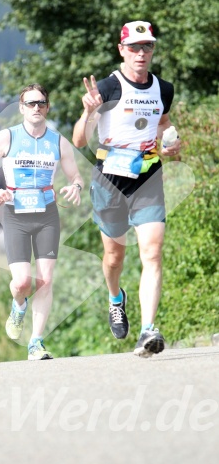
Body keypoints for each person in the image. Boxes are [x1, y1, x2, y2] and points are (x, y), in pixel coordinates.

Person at [72, 20, 181, 358]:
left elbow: (162, 123)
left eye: (146, 46)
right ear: (122, 50)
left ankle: (148, 330)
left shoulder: (163, 89)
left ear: (152, 50)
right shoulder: (107, 87)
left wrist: (172, 142)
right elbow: (79, 141)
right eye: (134, 47)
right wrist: (89, 113)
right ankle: (115, 298)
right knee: (114, 256)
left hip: (147, 176)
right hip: (110, 181)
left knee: (152, 251)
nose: (140, 53)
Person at [0, 83, 84, 360]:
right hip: (15, 215)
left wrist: (77, 186)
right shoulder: (7, 137)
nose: (37, 108)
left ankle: (36, 342)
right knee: (23, 281)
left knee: (46, 280)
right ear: (22, 108)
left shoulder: (58, 141)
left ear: (47, 107)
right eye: (31, 103)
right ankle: (18, 305)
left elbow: (76, 175)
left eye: (41, 103)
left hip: (47, 214)